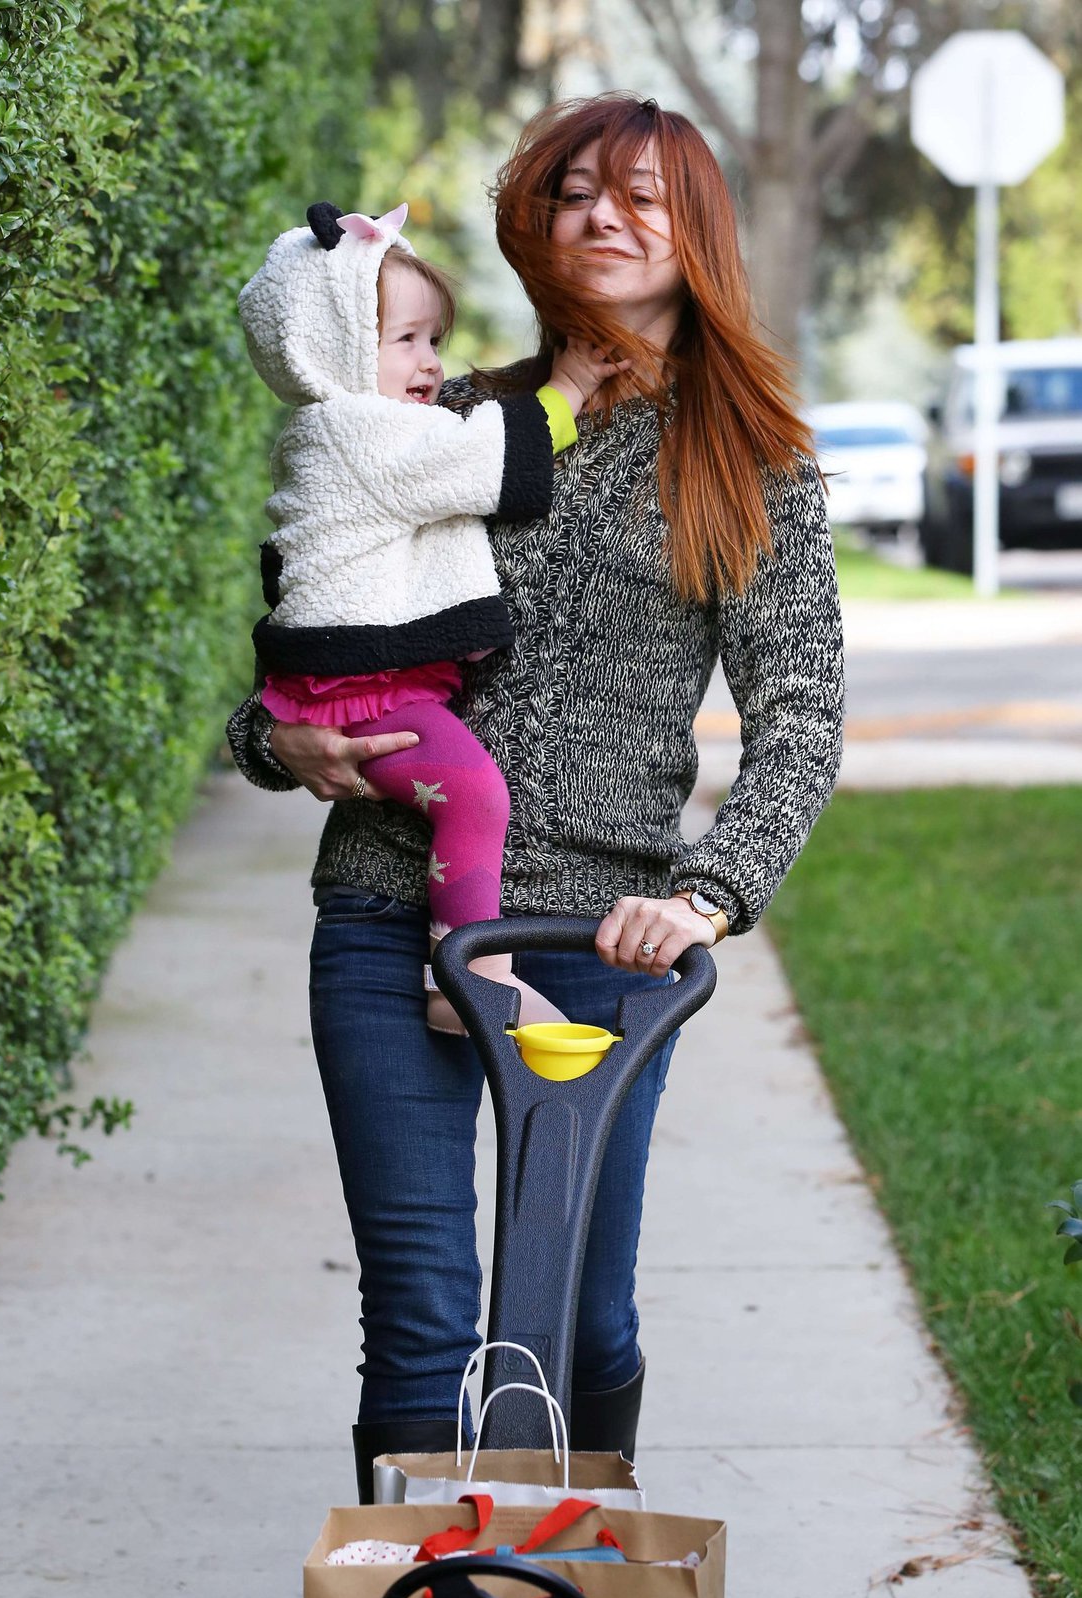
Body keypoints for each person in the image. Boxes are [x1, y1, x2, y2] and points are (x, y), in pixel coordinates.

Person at [226, 93, 845, 1501]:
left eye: (641, 194)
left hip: (599, 945)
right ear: (535, 225)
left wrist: (705, 896)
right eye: (574, 192)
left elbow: (800, 718)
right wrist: (277, 744)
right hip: (389, 914)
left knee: (575, 1320)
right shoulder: (440, 416)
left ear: (696, 231)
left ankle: (575, 1579)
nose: (602, 216)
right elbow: (302, 639)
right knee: (423, 1320)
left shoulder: (748, 462)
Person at [236, 199, 622, 1033]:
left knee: (467, 795)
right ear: (332, 346)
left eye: (435, 339)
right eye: (404, 339)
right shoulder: (366, 433)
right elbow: (487, 456)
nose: (429, 363)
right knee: (474, 795)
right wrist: (570, 386)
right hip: (366, 691)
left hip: (348, 685)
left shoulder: (334, 429)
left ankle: (465, 974)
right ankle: (466, 981)